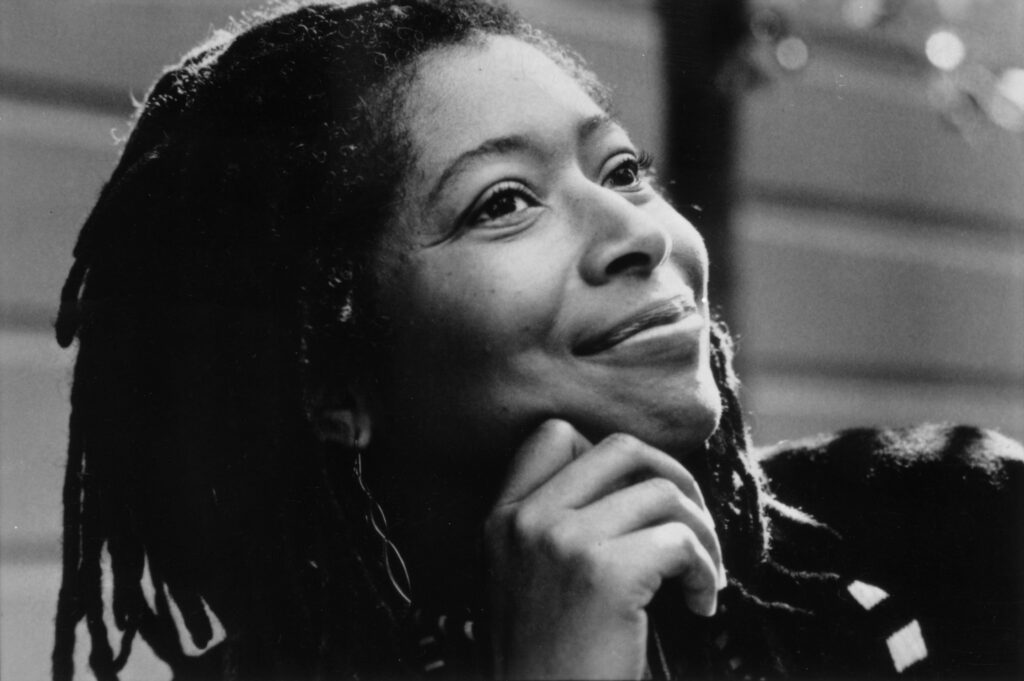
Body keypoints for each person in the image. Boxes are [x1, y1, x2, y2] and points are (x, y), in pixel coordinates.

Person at [52, 1, 1023, 679]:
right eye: (504, 202)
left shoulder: (947, 531)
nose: (642, 232)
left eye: (623, 170)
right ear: (330, 380)